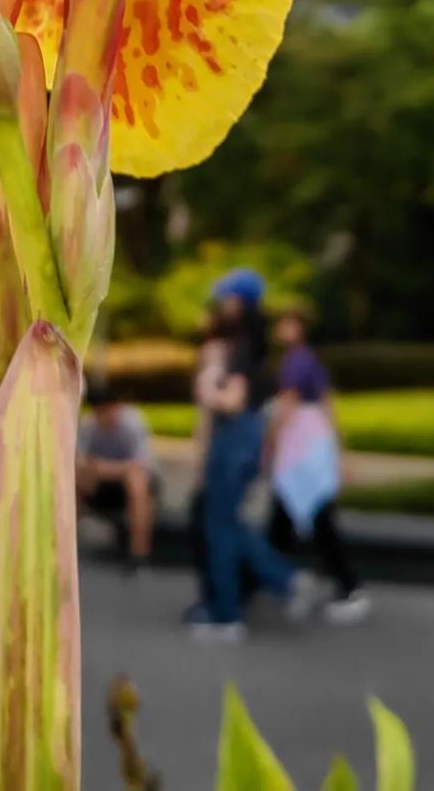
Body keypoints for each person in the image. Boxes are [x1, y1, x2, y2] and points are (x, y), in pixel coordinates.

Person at [184, 269, 318, 641]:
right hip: (244, 440)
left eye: (227, 299)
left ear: (239, 301)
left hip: (235, 439)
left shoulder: (239, 346)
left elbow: (232, 400)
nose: (221, 306)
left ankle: (227, 615)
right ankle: (284, 580)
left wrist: (205, 385)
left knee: (220, 528)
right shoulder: (254, 343)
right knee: (229, 523)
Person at [266, 310, 370, 624]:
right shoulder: (310, 360)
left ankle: (347, 586)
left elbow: (287, 403)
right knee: (288, 521)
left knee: (312, 520)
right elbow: (329, 405)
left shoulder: (295, 361)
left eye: (286, 322)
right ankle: (270, 581)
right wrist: (339, 453)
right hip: (314, 448)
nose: (279, 328)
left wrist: (268, 443)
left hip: (300, 449)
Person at [76, 382, 156, 566]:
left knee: (137, 481)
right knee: (75, 481)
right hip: (102, 482)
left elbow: (139, 465)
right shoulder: (90, 428)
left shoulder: (133, 424)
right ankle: (69, 542)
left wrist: (103, 467)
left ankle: (139, 551)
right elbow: (81, 462)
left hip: (132, 480)